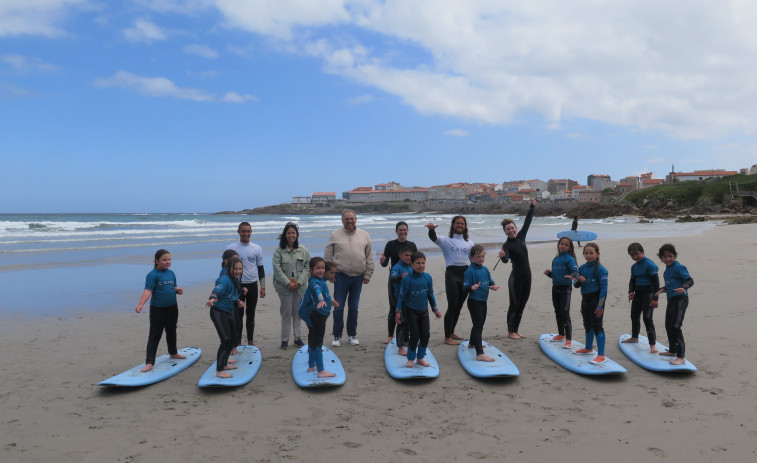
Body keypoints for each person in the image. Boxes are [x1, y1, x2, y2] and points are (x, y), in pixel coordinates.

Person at [324, 210, 374, 347]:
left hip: (358, 277)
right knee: (338, 308)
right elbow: (328, 256)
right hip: (340, 277)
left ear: (356, 219)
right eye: (347, 219)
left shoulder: (364, 235)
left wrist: (368, 274)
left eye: (352, 218)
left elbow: (369, 256)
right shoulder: (335, 235)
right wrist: (329, 275)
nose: (350, 221)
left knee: (354, 307)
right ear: (342, 220)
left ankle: (352, 335)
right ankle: (337, 336)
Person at [425, 215, 473, 345]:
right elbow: (434, 238)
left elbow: (473, 261)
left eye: (462, 223)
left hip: (465, 275)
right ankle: (447, 337)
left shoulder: (469, 243)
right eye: (457, 223)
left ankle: (451, 332)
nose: (460, 225)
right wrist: (431, 230)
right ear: (453, 225)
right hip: (452, 275)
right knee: (452, 306)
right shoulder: (446, 240)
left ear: (465, 226)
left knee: (459, 306)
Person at [135, 249, 186, 373]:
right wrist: (141, 304)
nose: (168, 262)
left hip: (172, 307)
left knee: (171, 331)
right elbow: (148, 291)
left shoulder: (171, 273)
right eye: (164, 260)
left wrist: (177, 290)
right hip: (158, 309)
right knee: (155, 335)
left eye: (169, 259)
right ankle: (149, 362)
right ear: (157, 261)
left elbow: (171, 287)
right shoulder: (153, 275)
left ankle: (173, 353)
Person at [395, 251, 441, 368]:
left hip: (424, 312)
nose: (421, 265)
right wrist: (398, 312)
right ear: (412, 264)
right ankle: (410, 359)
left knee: (425, 335)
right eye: (418, 263)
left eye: (423, 263)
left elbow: (430, 294)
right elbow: (402, 296)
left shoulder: (427, 277)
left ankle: (420, 358)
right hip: (411, 312)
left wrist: (435, 309)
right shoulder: (407, 279)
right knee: (415, 336)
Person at [498, 198, 536, 339]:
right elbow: (506, 260)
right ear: (505, 232)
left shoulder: (521, 237)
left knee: (522, 305)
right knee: (514, 304)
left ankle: (516, 330)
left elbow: (528, 221)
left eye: (512, 228)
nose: (511, 230)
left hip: (527, 277)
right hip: (516, 279)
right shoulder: (506, 245)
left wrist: (532, 206)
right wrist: (502, 256)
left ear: (515, 228)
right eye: (508, 229)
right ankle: (510, 332)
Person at [272, 222, 311, 349]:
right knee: (286, 314)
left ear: (297, 235)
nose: (291, 235)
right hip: (284, 289)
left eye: (293, 233)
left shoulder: (303, 250)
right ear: (285, 235)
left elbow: (308, 267)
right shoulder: (279, 251)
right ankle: (284, 340)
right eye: (288, 233)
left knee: (298, 314)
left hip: (300, 288)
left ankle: (297, 338)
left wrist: (299, 282)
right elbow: (276, 269)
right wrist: (287, 283)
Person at [298, 257, 338, 378]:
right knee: (318, 343)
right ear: (311, 270)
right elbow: (317, 291)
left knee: (313, 339)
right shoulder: (315, 282)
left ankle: (311, 365)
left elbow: (323, 293)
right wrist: (321, 300)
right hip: (317, 314)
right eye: (318, 268)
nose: (321, 270)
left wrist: (330, 301)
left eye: (323, 268)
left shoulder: (319, 280)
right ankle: (321, 371)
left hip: (316, 313)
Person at [226, 222, 265, 346]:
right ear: (238, 232)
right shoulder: (231, 248)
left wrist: (263, 287)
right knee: (238, 315)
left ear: (251, 232)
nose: (246, 234)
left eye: (248, 231)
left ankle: (250, 341)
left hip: (253, 285)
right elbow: (226, 270)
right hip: (237, 286)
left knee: (251, 314)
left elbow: (260, 268)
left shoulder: (257, 248)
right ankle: (237, 342)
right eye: (243, 231)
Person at [206, 256, 245, 378]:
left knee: (233, 338)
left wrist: (239, 302)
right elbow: (217, 291)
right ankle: (219, 370)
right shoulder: (225, 279)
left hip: (229, 311)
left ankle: (225, 363)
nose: (238, 271)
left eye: (240, 269)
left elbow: (232, 296)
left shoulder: (235, 280)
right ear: (229, 268)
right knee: (226, 340)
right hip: (219, 312)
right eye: (235, 269)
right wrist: (212, 299)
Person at [655, 244, 694, 365]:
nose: (668, 259)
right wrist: (664, 289)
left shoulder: (679, 267)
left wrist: (683, 287)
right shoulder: (666, 272)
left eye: (670, 256)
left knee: (676, 326)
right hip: (671, 299)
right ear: (661, 258)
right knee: (668, 325)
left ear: (675, 256)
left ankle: (681, 357)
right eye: (665, 257)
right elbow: (672, 284)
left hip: (681, 299)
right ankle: (672, 350)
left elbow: (690, 280)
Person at [380, 221, 418, 344]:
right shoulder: (390, 245)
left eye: (405, 230)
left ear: (408, 231)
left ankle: (406, 335)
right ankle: (390, 335)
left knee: (408, 308)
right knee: (393, 308)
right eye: (400, 230)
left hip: (410, 279)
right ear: (396, 231)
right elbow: (385, 264)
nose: (403, 232)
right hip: (394, 280)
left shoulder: (412, 245)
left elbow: (416, 261)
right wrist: (383, 261)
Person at [572, 243, 609, 365]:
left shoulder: (601, 270)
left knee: (597, 325)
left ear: (597, 254)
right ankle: (588, 348)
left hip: (596, 300)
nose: (588, 255)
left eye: (591, 253)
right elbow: (576, 285)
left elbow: (604, 289)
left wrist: (600, 306)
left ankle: (601, 355)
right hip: (585, 300)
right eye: (586, 253)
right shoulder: (582, 268)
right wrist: (579, 281)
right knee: (587, 324)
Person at [463, 245, 500, 362]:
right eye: (478, 257)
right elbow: (465, 288)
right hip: (474, 302)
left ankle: (472, 343)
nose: (481, 259)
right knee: (478, 325)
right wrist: (471, 288)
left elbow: (490, 281)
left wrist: (493, 286)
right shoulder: (469, 271)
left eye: (483, 256)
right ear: (472, 257)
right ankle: (480, 353)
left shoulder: (485, 269)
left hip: (483, 301)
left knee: (479, 324)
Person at [622, 242, 660, 353]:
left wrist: (655, 298)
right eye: (632, 255)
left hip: (649, 294)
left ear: (642, 252)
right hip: (638, 294)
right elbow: (632, 281)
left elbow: (656, 283)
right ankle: (634, 337)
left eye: (636, 254)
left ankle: (652, 345)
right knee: (634, 316)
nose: (634, 257)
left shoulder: (650, 264)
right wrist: (631, 291)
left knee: (647, 318)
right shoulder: (634, 267)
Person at [543, 237, 578, 349]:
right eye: (561, 243)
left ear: (569, 248)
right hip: (555, 288)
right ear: (558, 245)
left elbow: (575, 271)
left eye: (566, 244)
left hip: (565, 288)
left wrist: (572, 276)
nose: (563, 245)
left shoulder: (570, 259)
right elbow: (556, 274)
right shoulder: (556, 259)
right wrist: (549, 274)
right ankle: (561, 334)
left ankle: (568, 339)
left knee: (565, 312)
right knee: (557, 311)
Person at [389, 244, 414, 355]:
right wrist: (400, 277)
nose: (408, 257)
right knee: (401, 322)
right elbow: (392, 280)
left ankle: (407, 340)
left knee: (409, 321)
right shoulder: (396, 267)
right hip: (399, 298)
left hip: (410, 298)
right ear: (400, 255)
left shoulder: (411, 266)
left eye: (410, 255)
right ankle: (400, 347)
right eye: (406, 255)